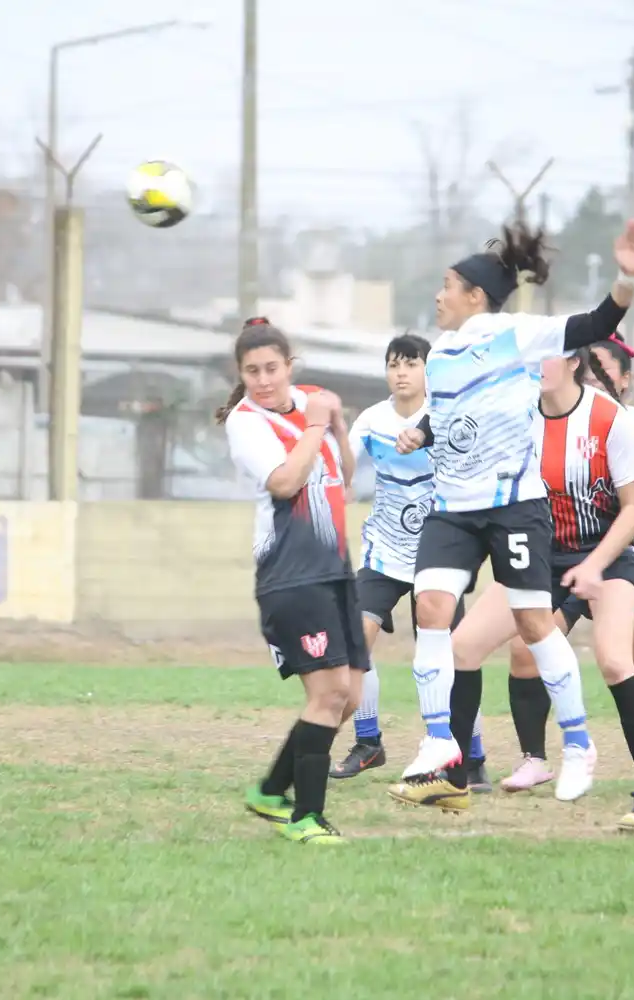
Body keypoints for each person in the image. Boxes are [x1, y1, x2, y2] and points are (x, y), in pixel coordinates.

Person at [385, 217, 634, 816]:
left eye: (447, 285)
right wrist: (419, 433)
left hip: (513, 505)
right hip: (452, 507)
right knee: (431, 608)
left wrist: (627, 278)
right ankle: (437, 742)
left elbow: (596, 324)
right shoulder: (443, 353)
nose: (437, 295)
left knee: (533, 624)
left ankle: (578, 743)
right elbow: (452, 414)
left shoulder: (518, 334)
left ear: (475, 297)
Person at [447, 349, 634, 829]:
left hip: (607, 556)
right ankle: (455, 778)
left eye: (544, 357)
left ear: (573, 362)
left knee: (616, 660)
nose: (532, 366)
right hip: (540, 560)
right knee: (462, 647)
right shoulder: (517, 416)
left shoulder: (609, 418)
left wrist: (595, 565)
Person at [503, 334, 634, 799]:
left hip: (620, 553)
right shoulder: (532, 418)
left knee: (633, 661)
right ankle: (537, 758)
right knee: (523, 650)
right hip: (556, 558)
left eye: (605, 370)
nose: (599, 377)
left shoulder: (629, 425)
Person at [222, 317, 367, 845]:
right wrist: (313, 427)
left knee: (345, 698)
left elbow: (345, 478)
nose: (263, 380)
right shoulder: (245, 422)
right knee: (328, 693)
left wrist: (339, 430)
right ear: (241, 375)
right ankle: (306, 816)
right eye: (252, 371)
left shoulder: (310, 402)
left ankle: (269, 790)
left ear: (290, 366)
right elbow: (285, 483)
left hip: (334, 569)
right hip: (290, 574)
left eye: (272, 368)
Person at [330, 333, 487, 790]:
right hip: (384, 550)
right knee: (354, 644)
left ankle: (470, 755)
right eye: (393, 364)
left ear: (427, 370)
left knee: (449, 659)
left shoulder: (446, 416)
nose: (401, 373)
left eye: (411, 363)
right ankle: (368, 741)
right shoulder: (373, 420)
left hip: (439, 553)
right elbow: (343, 469)